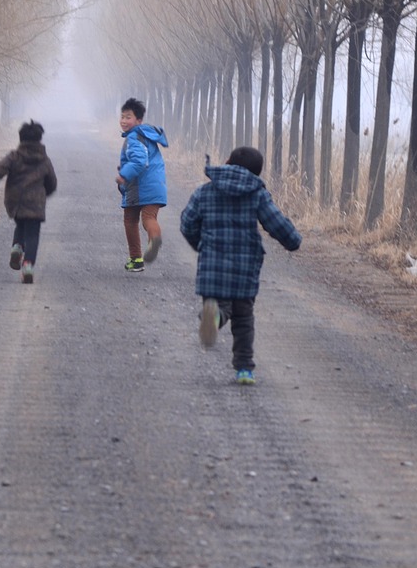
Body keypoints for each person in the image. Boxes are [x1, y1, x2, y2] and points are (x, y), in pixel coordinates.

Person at [179, 146, 301, 385]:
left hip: (212, 268)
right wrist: (293, 240)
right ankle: (244, 369)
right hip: (245, 269)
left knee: (219, 305)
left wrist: (200, 245)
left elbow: (187, 223)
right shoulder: (257, 194)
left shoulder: (205, 191)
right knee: (244, 319)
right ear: (256, 174)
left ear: (226, 161)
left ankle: (213, 318)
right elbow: (276, 223)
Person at [0, 120, 58, 284]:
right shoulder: (44, 160)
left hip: (16, 200)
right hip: (35, 203)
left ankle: (17, 247)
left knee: (20, 225)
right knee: (33, 234)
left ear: (20, 138)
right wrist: (46, 192)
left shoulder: (14, 156)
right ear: (40, 139)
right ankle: (28, 265)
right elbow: (52, 182)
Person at [116, 97, 169, 272]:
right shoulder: (147, 135)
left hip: (139, 187)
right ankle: (154, 239)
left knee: (130, 220)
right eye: (122, 116)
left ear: (138, 120)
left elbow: (139, 161)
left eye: (128, 117)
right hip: (157, 185)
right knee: (149, 218)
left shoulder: (134, 137)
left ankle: (136, 259)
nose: (124, 121)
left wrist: (123, 175)